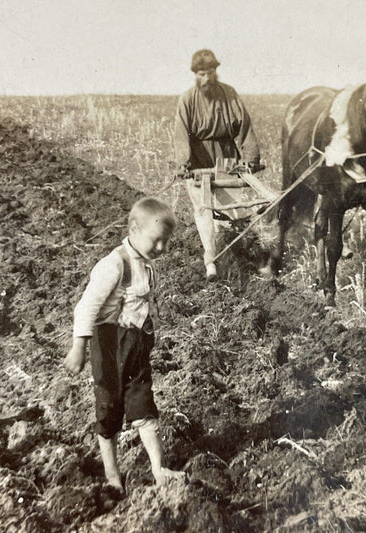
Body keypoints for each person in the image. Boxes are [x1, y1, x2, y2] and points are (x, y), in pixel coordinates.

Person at [64, 197, 184, 495]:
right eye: (156, 241)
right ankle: (112, 475)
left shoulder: (147, 266)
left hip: (136, 349)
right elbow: (86, 308)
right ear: (133, 229)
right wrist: (78, 347)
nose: (162, 249)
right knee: (109, 410)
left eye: (166, 242)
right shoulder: (114, 265)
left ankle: (158, 469)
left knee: (144, 406)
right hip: (109, 348)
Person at [174, 49, 261, 281]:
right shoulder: (187, 100)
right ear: (195, 74)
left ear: (216, 71)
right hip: (199, 159)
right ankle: (210, 257)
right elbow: (181, 135)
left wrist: (251, 159)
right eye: (202, 74)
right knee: (204, 208)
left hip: (226, 156)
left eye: (211, 72)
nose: (207, 78)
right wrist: (184, 163)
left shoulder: (229, 95)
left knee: (232, 208)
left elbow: (244, 128)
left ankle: (238, 254)